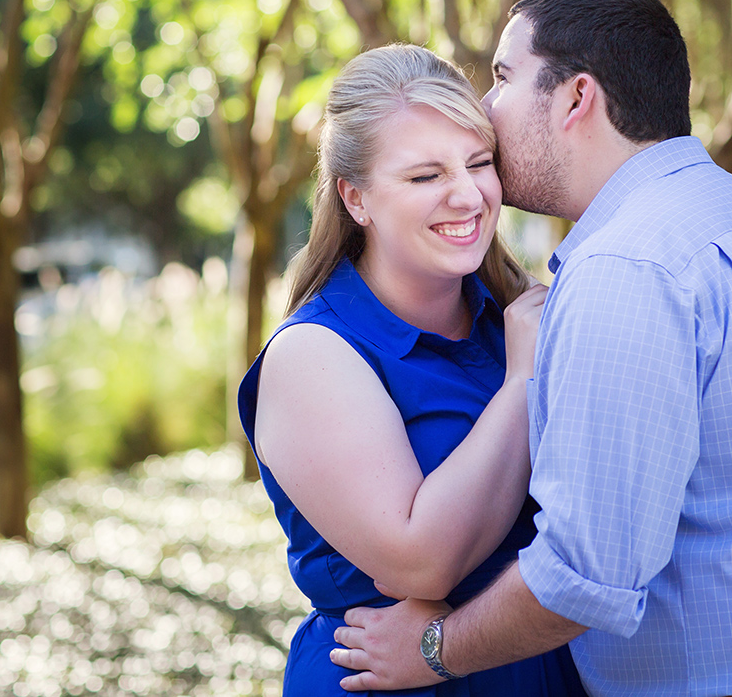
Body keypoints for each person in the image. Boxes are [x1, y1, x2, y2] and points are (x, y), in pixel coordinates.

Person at [331, 0, 732, 696]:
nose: (485, 112)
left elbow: (585, 575)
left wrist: (433, 647)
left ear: (576, 97)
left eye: (502, 77)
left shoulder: (627, 265)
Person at [237, 44, 587, 696]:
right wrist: (521, 382)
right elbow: (421, 561)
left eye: (479, 163)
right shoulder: (312, 354)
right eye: (425, 176)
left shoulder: (515, 315)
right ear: (357, 199)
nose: (466, 194)